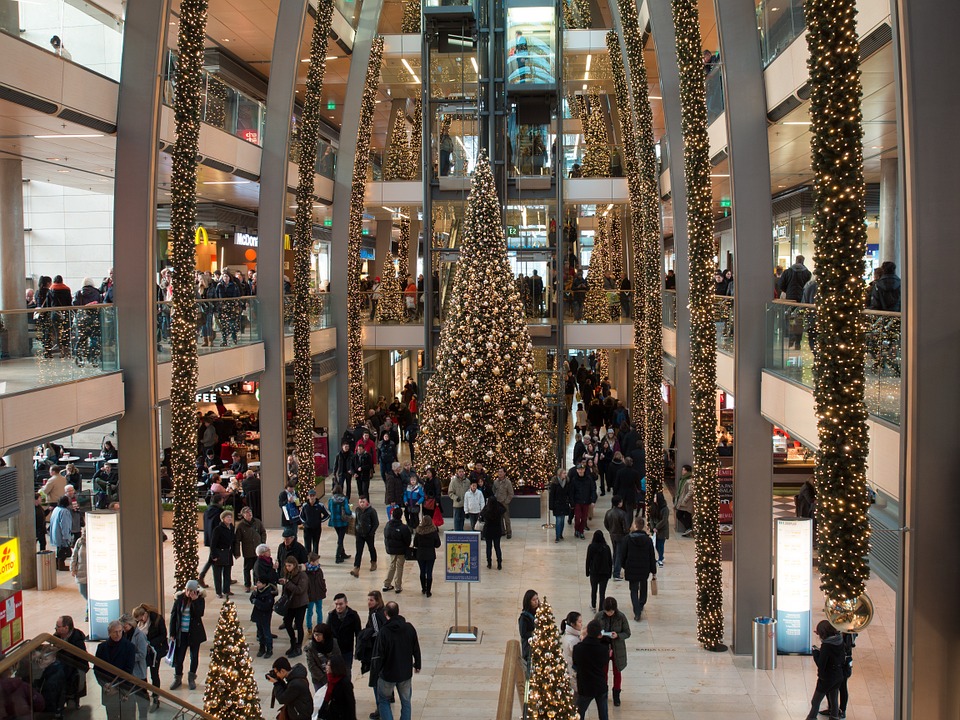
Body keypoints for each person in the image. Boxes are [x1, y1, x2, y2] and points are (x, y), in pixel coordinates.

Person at [373, 602, 421, 720]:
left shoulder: (384, 631)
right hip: (405, 673)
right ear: (398, 612)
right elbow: (416, 647)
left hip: (388, 674)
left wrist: (375, 672)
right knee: (406, 702)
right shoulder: (409, 628)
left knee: (384, 701)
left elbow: (379, 654)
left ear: (385, 613)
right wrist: (418, 664)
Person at [168, 579, 206, 690]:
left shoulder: (200, 600)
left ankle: (191, 678)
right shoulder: (179, 599)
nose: (189, 592)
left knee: (194, 657)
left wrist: (194, 601)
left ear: (195, 591)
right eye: (187, 590)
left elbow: (199, 614)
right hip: (181, 633)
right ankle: (178, 678)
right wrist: (172, 633)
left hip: (194, 633)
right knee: (179, 658)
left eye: (191, 590)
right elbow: (173, 616)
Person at [94, 620, 136, 720]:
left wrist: (115, 687)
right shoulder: (101, 647)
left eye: (120, 631)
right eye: (115, 632)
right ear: (109, 633)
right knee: (112, 717)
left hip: (124, 691)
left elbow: (128, 670)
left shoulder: (129, 647)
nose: (118, 634)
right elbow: (97, 670)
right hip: (108, 690)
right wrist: (105, 685)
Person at [805, 620, 845, 720]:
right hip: (838, 675)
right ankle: (834, 717)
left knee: (815, 701)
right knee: (834, 699)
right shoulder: (839, 640)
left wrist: (815, 653)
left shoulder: (826, 646)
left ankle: (811, 718)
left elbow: (821, 664)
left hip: (827, 678)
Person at [594, 597, 631, 707]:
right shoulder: (599, 616)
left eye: (611, 611)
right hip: (603, 647)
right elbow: (592, 630)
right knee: (603, 672)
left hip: (617, 648)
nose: (609, 613)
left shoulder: (621, 617)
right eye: (607, 611)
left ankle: (616, 695)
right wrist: (598, 635)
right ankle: (603, 694)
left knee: (617, 671)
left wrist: (618, 635)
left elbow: (627, 632)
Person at [132, 604, 168, 711]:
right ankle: (145, 696)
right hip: (144, 652)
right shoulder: (138, 623)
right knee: (142, 673)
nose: (141, 622)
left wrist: (149, 643)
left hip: (155, 651)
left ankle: (156, 698)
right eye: (138, 621)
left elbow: (163, 635)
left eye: (141, 619)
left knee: (154, 673)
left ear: (145, 614)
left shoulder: (157, 620)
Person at [572, 621, 610, 720]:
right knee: (603, 714)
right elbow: (605, 662)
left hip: (585, 686)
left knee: (579, 713)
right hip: (600, 685)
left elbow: (575, 664)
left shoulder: (578, 648)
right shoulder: (603, 649)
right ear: (599, 634)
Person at [621, 518, 656, 621]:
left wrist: (624, 566)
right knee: (643, 586)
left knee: (633, 590)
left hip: (631, 568)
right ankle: (641, 604)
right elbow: (651, 556)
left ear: (635, 526)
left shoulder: (627, 539)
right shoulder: (648, 540)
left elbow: (623, 555)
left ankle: (636, 610)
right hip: (644, 568)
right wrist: (653, 571)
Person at [119, 613, 150, 718]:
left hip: (138, 672)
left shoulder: (140, 636)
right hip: (127, 672)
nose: (123, 629)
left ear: (131, 624)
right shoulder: (124, 634)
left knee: (141, 699)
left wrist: (128, 658)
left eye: (125, 626)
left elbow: (142, 654)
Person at [279, 556, 310, 657]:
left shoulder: (302, 575)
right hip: (290, 604)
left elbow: (300, 590)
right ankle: (293, 641)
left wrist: (288, 583)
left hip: (300, 604)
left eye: (289, 566)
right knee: (287, 623)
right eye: (286, 566)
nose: (287, 568)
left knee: (299, 625)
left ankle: (298, 646)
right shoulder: (287, 574)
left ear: (295, 565)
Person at [327, 594, 362, 677]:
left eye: (341, 604)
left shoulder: (353, 615)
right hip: (334, 650)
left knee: (347, 672)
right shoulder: (331, 615)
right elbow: (327, 633)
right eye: (336, 604)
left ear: (346, 603)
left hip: (347, 650)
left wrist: (358, 649)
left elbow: (358, 634)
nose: (338, 607)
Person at [234, 505, 267, 592]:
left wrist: (262, 543)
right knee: (247, 569)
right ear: (243, 515)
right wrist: (237, 552)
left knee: (257, 568)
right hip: (248, 551)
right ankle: (247, 584)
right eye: (247, 513)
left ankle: (257, 584)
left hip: (258, 550)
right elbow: (237, 540)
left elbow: (263, 532)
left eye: (250, 512)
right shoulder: (241, 526)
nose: (249, 514)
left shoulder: (257, 522)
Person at [316, 654, 356, 720]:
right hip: (332, 714)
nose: (326, 667)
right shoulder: (330, 679)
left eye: (328, 665)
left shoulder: (345, 682)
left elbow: (350, 703)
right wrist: (321, 713)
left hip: (343, 715)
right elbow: (327, 697)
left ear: (335, 667)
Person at [382, 508, 411, 594]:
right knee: (399, 567)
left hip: (391, 550)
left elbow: (386, 536)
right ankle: (397, 586)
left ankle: (386, 583)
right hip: (401, 550)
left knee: (392, 565)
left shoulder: (388, 525)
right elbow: (407, 540)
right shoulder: (404, 527)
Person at [305, 623, 342, 692]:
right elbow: (311, 665)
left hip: (333, 675)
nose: (317, 637)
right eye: (315, 635)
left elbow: (338, 660)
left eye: (319, 635)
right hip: (318, 678)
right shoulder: (311, 647)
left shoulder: (333, 643)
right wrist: (324, 678)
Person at [350, 496, 379, 579]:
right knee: (359, 551)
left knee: (371, 548)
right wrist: (356, 531)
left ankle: (373, 562)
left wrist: (371, 532)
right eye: (360, 502)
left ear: (367, 502)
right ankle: (356, 567)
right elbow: (356, 521)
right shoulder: (357, 510)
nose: (362, 504)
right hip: (359, 534)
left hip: (369, 534)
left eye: (363, 502)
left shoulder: (372, 511)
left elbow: (376, 523)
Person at [412, 514, 441, 597]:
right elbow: (438, 544)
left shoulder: (418, 531)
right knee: (429, 572)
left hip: (420, 554)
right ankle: (428, 591)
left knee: (422, 571)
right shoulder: (433, 531)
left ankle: (423, 589)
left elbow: (415, 544)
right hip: (430, 554)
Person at [250, 573, 277, 659]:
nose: (257, 584)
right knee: (260, 633)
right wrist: (254, 595)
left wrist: (256, 602)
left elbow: (266, 606)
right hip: (258, 615)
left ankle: (269, 649)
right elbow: (251, 599)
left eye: (259, 583)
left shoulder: (269, 594)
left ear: (264, 584)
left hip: (265, 616)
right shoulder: (257, 591)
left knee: (266, 633)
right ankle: (262, 648)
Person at [210, 509, 236, 598]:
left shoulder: (232, 527)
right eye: (227, 517)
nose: (229, 518)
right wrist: (214, 555)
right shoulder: (218, 529)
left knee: (227, 573)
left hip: (228, 553)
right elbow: (213, 544)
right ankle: (218, 592)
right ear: (223, 519)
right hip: (219, 553)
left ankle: (226, 590)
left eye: (230, 517)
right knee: (217, 574)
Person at [604, 496, 630, 581]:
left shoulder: (608, 512)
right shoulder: (622, 514)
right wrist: (626, 533)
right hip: (621, 536)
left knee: (615, 552)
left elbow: (606, 524)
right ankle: (616, 573)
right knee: (619, 554)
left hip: (612, 535)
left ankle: (614, 568)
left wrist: (611, 530)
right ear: (619, 503)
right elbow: (626, 527)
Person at [585, 530, 613, 611]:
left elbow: (588, 560)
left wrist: (587, 571)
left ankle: (593, 605)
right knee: (602, 592)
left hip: (594, 572)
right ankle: (601, 608)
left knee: (594, 590)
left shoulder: (591, 547)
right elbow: (610, 562)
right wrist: (610, 573)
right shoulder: (606, 547)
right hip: (604, 573)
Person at [569, 464, 596, 539]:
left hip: (586, 501)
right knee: (577, 518)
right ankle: (576, 529)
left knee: (584, 518)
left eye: (582, 469)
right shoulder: (574, 480)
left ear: (584, 470)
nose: (580, 471)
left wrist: (593, 500)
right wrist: (572, 502)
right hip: (577, 501)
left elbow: (593, 490)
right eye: (579, 470)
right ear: (577, 470)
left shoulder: (588, 479)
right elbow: (571, 492)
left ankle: (581, 531)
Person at [328, 485, 353, 564]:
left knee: (340, 536)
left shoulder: (331, 500)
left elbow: (329, 509)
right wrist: (350, 512)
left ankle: (342, 553)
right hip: (342, 521)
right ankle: (338, 556)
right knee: (340, 539)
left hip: (334, 521)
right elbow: (347, 510)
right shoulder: (344, 499)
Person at [301, 489, 330, 556]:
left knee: (316, 544)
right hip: (307, 529)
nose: (312, 497)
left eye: (313, 496)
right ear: (308, 497)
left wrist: (320, 521)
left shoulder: (320, 505)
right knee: (307, 545)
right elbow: (301, 516)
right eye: (310, 496)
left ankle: (315, 559)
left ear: (315, 496)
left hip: (317, 528)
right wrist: (305, 522)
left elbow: (328, 514)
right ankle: (308, 560)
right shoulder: (305, 506)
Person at [304, 552, 327, 632]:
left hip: (319, 594)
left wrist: (324, 589)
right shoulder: (306, 572)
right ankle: (309, 627)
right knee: (310, 611)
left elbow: (322, 580)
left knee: (319, 610)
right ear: (311, 562)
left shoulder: (319, 570)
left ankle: (320, 625)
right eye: (316, 561)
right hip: (310, 595)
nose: (318, 563)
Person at [49, 496, 74, 571]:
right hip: (61, 535)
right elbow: (65, 525)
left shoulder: (56, 509)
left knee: (59, 550)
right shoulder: (64, 512)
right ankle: (61, 565)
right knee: (63, 551)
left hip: (55, 533)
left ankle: (57, 564)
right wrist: (66, 537)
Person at [560, 611, 583, 687]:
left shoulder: (567, 634)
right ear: (573, 624)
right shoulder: (573, 640)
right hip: (573, 673)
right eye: (579, 622)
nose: (581, 624)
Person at [518, 590, 539, 670]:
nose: (536, 602)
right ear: (528, 601)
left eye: (537, 599)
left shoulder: (539, 613)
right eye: (533, 600)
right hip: (529, 648)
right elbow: (523, 634)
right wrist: (535, 633)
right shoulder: (524, 617)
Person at [548, 469, 571, 542]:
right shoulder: (555, 483)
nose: (565, 474)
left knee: (562, 520)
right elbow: (552, 495)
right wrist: (551, 505)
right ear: (560, 474)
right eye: (564, 473)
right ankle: (557, 536)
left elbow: (568, 493)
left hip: (564, 504)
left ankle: (560, 534)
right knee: (558, 520)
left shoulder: (567, 482)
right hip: (557, 504)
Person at [493, 468, 515, 539]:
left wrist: (506, 501)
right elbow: (493, 491)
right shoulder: (495, 482)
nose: (500, 473)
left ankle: (509, 532)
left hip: (504, 503)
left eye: (501, 472)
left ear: (504, 473)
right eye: (499, 472)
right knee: (499, 518)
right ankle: (502, 531)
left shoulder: (508, 482)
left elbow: (511, 493)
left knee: (506, 518)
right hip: (497, 503)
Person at [651, 491, 670, 567]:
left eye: (655, 497)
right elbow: (651, 518)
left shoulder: (665, 509)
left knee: (661, 544)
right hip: (655, 529)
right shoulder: (653, 507)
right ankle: (660, 556)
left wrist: (657, 527)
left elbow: (664, 520)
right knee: (656, 544)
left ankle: (660, 557)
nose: (654, 498)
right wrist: (653, 527)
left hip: (662, 530)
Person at [446, 466, 468, 532]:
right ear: (457, 472)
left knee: (462, 520)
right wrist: (456, 498)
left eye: (462, 472)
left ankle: (461, 532)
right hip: (457, 504)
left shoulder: (467, 482)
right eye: (460, 472)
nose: (461, 473)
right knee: (456, 520)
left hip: (464, 505)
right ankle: (456, 533)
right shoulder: (453, 482)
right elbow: (450, 493)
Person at [675, 465, 694, 536]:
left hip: (686, 502)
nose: (682, 471)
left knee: (683, 515)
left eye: (683, 470)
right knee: (684, 515)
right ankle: (688, 529)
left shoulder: (689, 481)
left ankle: (689, 528)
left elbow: (691, 491)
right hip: (682, 501)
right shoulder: (682, 479)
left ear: (687, 471)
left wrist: (685, 499)